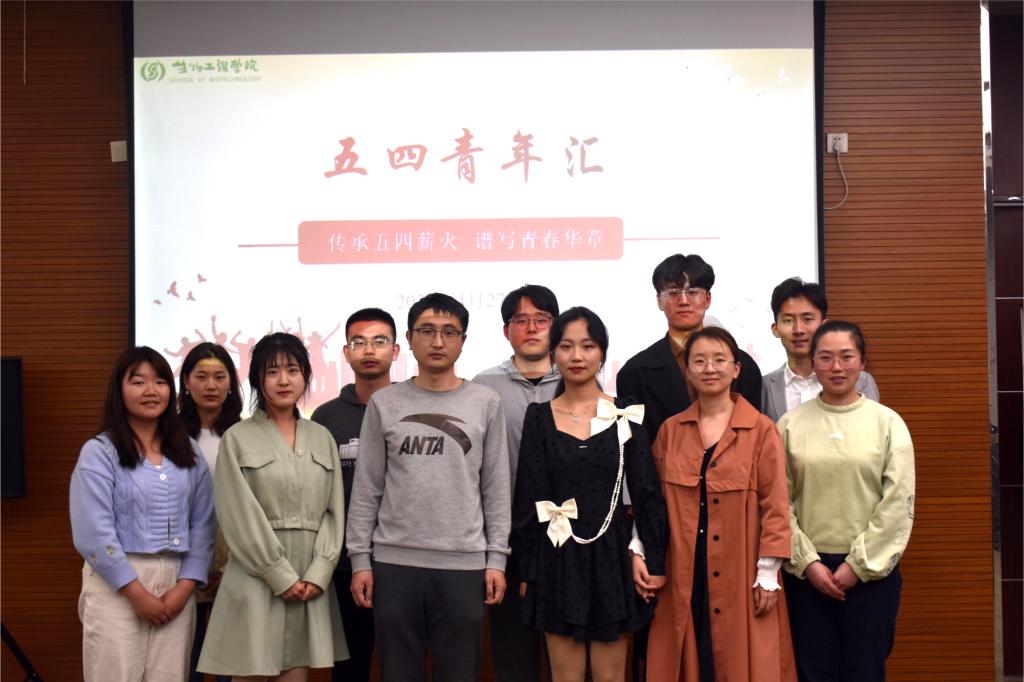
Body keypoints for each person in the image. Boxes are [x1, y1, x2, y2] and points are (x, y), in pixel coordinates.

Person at [346, 293, 511, 682]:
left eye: (449, 332)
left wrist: (496, 559)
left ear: (463, 340)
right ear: (409, 338)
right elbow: (367, 489)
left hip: (464, 566)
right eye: (427, 331)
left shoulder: (486, 402)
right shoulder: (385, 403)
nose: (438, 341)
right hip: (394, 565)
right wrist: (360, 561)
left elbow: (496, 488)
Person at [511, 306, 667, 682]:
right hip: (556, 556)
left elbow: (646, 492)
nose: (577, 356)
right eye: (566, 346)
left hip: (613, 556)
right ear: (554, 353)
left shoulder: (625, 413)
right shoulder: (538, 417)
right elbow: (529, 497)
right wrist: (528, 569)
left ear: (602, 353)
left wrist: (653, 559)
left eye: (588, 345)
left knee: (610, 677)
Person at [645, 327, 796, 682]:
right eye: (699, 361)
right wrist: (641, 548)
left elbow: (775, 505)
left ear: (736, 368)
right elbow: (652, 503)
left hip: (740, 572)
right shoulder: (670, 431)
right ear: (687, 371)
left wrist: (767, 573)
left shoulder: (761, 430)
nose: (709, 368)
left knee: (740, 661)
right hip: (684, 570)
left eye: (719, 360)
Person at [197, 332, 347, 681]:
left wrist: (320, 572)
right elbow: (238, 515)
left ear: (305, 377)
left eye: (292, 370)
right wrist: (278, 573)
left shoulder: (322, 437)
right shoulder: (237, 438)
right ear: (257, 380)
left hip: (309, 581)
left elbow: (334, 513)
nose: (283, 380)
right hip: (254, 577)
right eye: (272, 371)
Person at [778, 321, 914, 682]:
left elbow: (898, 503)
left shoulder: (888, 423)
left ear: (862, 362)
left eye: (846, 357)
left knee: (865, 671)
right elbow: (778, 503)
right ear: (813, 363)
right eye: (825, 357)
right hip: (807, 575)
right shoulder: (789, 425)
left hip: (872, 574)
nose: (836, 367)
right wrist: (808, 563)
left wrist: (857, 566)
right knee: (812, 671)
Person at [70, 346, 215, 682]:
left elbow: (203, 525)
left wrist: (184, 588)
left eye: (160, 382)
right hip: (117, 585)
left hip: (178, 583)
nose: (151, 390)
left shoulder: (189, 451)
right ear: (119, 390)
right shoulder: (99, 453)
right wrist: (137, 594)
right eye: (138, 382)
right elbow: (93, 533)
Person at [473, 284, 561, 682]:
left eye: (541, 319)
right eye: (521, 320)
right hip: (505, 536)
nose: (532, 328)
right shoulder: (482, 386)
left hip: (568, 537)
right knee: (512, 654)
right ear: (506, 330)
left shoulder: (577, 379)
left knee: (568, 654)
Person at [311, 308, 400, 682]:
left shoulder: (413, 407)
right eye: (359, 342)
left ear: (396, 350)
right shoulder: (324, 417)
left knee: (404, 663)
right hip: (345, 563)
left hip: (403, 558)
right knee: (350, 666)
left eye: (379, 341)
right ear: (346, 352)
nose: (369, 350)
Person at [617, 253, 763, 442]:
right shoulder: (634, 373)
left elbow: (752, 438)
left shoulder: (744, 365)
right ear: (659, 301)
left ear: (708, 299)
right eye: (673, 293)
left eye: (693, 292)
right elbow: (636, 449)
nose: (684, 301)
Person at [178, 342, 242, 682]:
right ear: (186, 382)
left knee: (226, 660)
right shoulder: (168, 435)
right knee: (185, 656)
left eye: (220, 377)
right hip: (182, 558)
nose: (211, 385)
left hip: (236, 558)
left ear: (231, 382)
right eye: (201, 377)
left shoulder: (244, 434)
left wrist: (228, 562)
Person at [761, 278, 879, 422]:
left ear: (824, 326)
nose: (798, 330)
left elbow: (871, 428)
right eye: (788, 320)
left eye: (807, 319)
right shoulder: (764, 386)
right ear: (775, 329)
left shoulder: (860, 380)